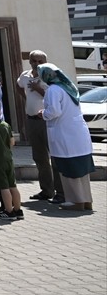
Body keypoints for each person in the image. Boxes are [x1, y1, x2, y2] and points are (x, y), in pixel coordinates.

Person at [39, 64, 95, 212]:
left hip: (65, 134)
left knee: (70, 168)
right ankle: (86, 200)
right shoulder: (69, 87)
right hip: (77, 134)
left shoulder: (53, 90)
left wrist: (42, 113)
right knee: (82, 170)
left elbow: (54, 111)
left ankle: (75, 201)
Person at [17, 50, 63, 203]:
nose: (36, 64)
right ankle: (46, 190)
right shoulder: (25, 75)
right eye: (34, 61)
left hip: (48, 121)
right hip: (32, 120)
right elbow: (18, 86)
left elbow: (54, 97)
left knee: (55, 157)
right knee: (39, 157)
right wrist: (27, 97)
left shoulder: (50, 77)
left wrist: (38, 89)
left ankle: (60, 192)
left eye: (40, 61)